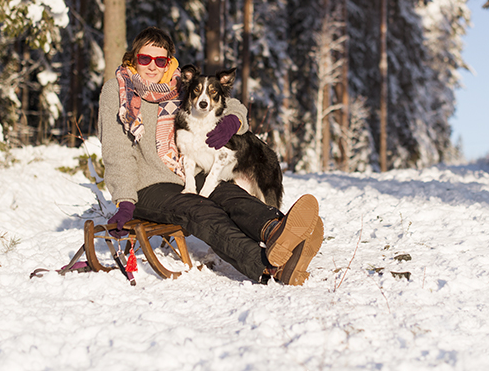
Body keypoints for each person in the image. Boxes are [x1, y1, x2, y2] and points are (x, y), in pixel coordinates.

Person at [98, 27, 323, 285]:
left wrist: (233, 121)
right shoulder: (118, 90)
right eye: (144, 59)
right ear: (133, 58)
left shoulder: (179, 85)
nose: (152, 66)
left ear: (169, 61)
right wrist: (125, 200)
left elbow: (231, 102)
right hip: (148, 186)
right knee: (200, 209)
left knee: (232, 195)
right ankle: (269, 265)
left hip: (187, 172)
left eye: (160, 60)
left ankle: (278, 231)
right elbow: (117, 151)